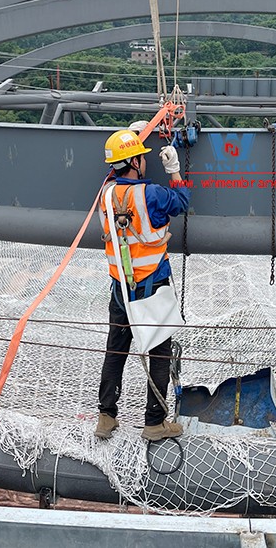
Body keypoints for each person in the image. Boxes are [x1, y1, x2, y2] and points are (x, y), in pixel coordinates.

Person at [95, 127, 190, 442]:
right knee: (159, 353)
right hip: (151, 286)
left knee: (115, 351)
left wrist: (132, 137)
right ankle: (154, 423)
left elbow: (115, 176)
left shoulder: (106, 194)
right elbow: (181, 201)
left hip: (120, 288)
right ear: (135, 162)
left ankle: (106, 417)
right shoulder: (151, 193)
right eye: (141, 157)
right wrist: (174, 170)